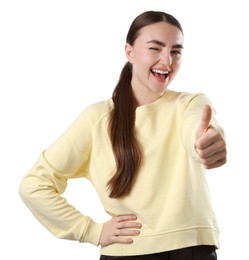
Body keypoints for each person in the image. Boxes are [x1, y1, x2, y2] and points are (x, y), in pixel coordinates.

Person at [19, 10, 227, 260]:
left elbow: (196, 129)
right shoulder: (97, 118)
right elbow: (34, 186)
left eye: (176, 51)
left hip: (191, 249)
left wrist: (204, 143)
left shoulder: (189, 104)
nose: (167, 60)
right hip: (127, 252)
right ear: (129, 52)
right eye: (155, 48)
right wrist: (91, 231)